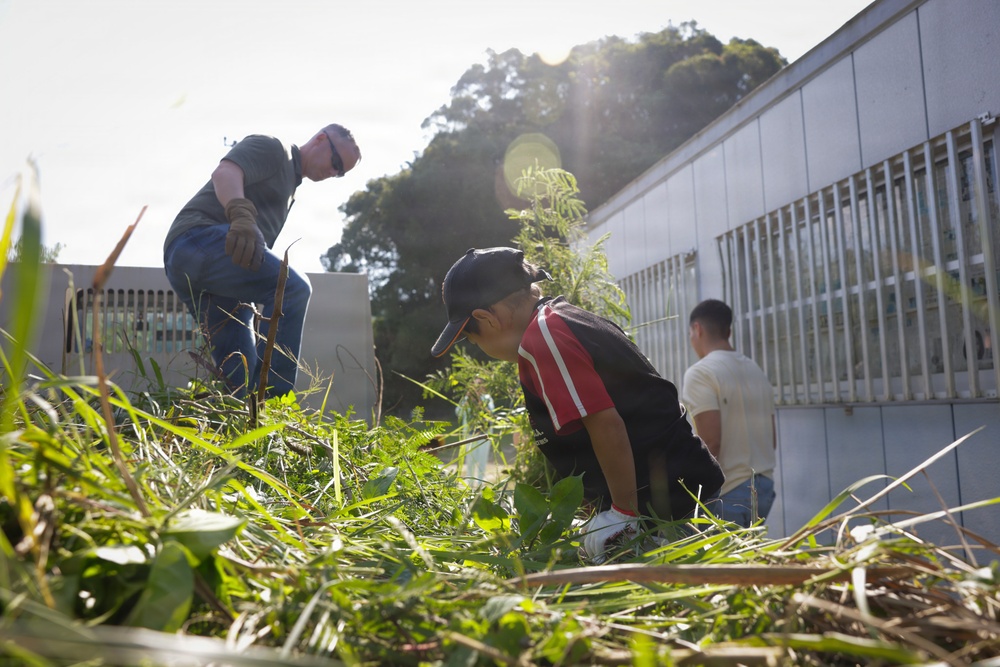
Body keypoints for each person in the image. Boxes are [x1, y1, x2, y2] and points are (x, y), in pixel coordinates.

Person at [430, 247, 724, 560]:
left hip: (671, 508)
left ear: (487, 319)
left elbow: (604, 423)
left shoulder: (543, 336)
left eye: (474, 341)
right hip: (668, 498)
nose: (480, 348)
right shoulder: (559, 322)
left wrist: (623, 514)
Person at [163, 124, 361, 398]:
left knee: (240, 373)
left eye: (341, 173)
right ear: (320, 139)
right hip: (196, 240)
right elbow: (225, 172)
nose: (334, 172)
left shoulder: (290, 187)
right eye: (336, 162)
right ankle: (276, 403)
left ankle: (243, 422)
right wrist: (239, 214)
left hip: (217, 277)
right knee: (292, 288)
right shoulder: (275, 149)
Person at [682, 299, 777, 528]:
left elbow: (711, 443)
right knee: (748, 561)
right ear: (729, 331)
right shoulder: (756, 370)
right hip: (764, 486)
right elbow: (771, 438)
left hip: (729, 490)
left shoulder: (701, 372)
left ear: (697, 329)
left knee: (718, 564)